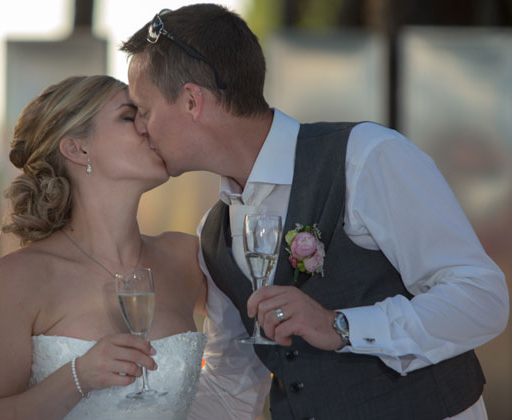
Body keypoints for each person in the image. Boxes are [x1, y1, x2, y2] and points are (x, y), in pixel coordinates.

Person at [121, 4, 509, 420]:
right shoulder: (213, 233)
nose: (141, 127)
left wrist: (341, 327)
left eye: (144, 110)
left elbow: (482, 298)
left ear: (193, 101)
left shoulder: (365, 157)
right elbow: (232, 388)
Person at [0, 75, 207, 420]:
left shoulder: (187, 258)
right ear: (77, 149)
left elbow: (257, 342)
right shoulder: (21, 277)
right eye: (128, 116)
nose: (147, 125)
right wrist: (78, 377)